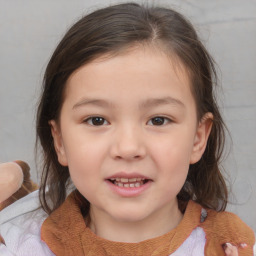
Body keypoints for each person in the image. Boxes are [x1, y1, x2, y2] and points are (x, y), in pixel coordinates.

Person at [0, 3, 255, 255]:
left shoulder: (231, 247)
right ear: (60, 141)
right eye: (97, 120)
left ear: (198, 138)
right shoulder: (17, 246)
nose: (128, 148)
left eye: (158, 120)